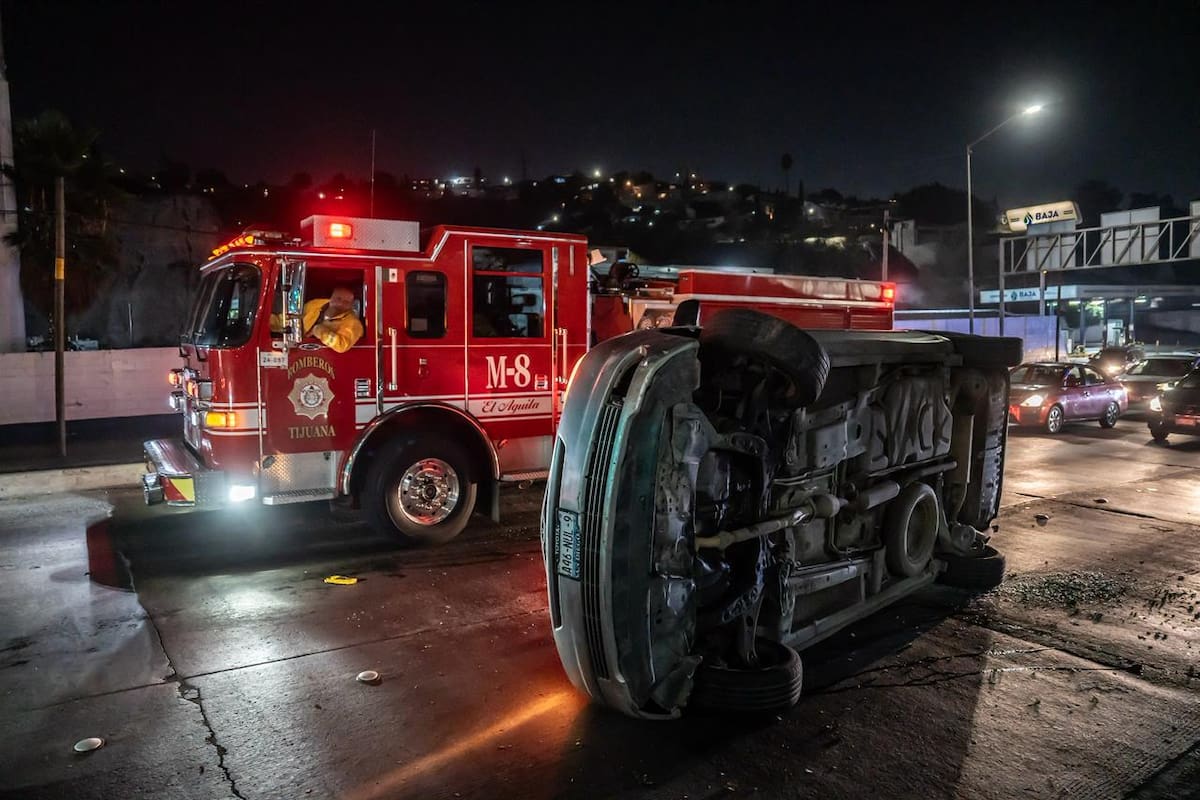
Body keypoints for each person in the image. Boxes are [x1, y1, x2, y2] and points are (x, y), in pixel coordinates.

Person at [290, 287, 364, 353]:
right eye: (338, 298)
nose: (341, 303)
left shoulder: (353, 324)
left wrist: (319, 330)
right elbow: (291, 319)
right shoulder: (314, 305)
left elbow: (341, 345)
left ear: (351, 306)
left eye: (346, 302)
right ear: (331, 297)